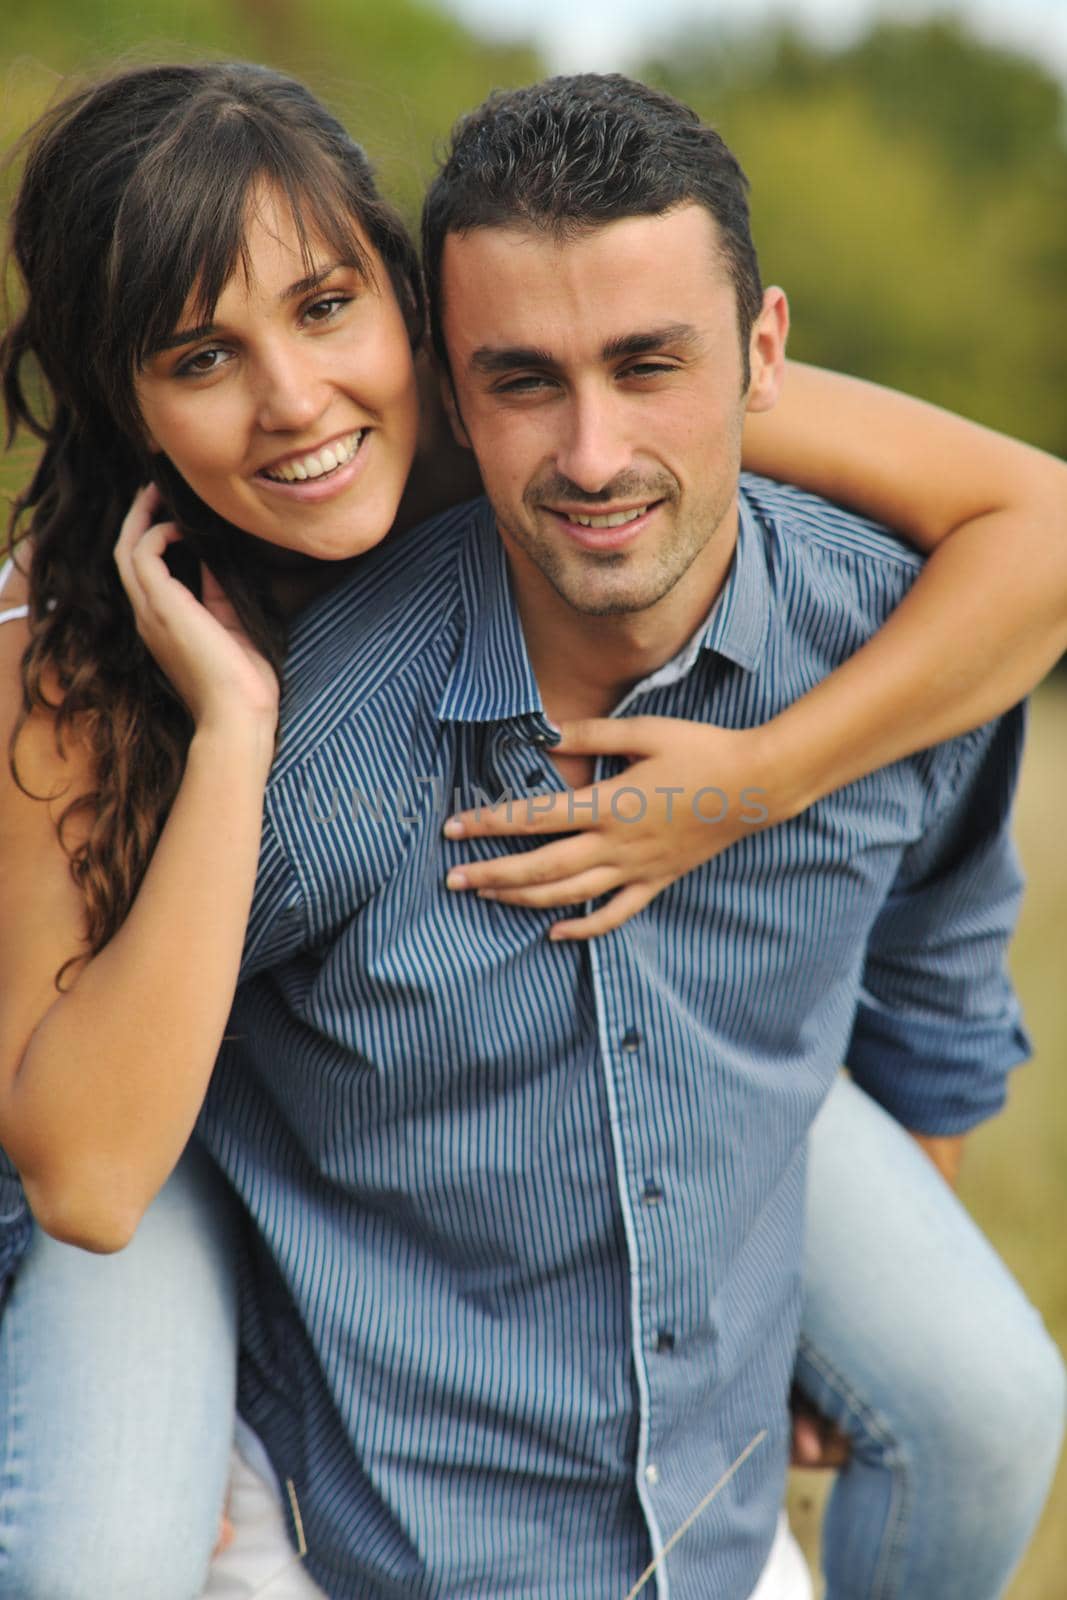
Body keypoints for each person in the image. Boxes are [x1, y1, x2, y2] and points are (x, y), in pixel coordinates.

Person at [0, 60, 1064, 1600]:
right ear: (127, 397)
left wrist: (736, 792)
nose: (295, 401)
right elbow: (82, 1167)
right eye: (200, 355)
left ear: (409, 309)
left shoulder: (563, 409)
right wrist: (233, 726)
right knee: (95, 1558)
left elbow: (1038, 530)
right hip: (157, 1089)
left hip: (561, 1003)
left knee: (984, 1397)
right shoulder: (71, 647)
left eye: (323, 310)